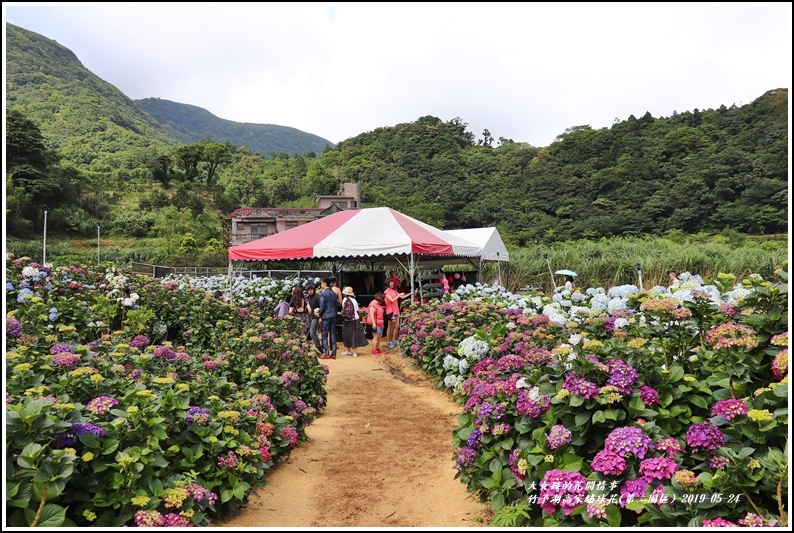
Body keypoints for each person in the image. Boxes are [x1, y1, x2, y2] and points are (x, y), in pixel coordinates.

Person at [340, 286, 368, 357]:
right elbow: (357, 310)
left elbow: (343, 308)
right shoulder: (354, 300)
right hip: (355, 319)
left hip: (347, 320)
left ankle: (348, 351)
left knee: (346, 335)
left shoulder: (345, 300)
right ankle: (355, 352)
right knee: (354, 335)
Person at [384, 278, 411, 350]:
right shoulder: (386, 292)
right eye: (391, 282)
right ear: (387, 284)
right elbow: (392, 300)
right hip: (391, 311)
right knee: (390, 327)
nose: (392, 284)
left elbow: (402, 297)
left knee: (397, 326)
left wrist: (410, 294)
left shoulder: (394, 291)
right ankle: (388, 342)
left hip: (396, 311)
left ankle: (394, 340)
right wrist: (399, 295)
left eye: (393, 282)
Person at [318, 277, 338, 360]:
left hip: (326, 316)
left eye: (322, 283)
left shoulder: (323, 293)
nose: (321, 285)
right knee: (333, 334)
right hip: (334, 315)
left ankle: (326, 353)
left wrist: (319, 314)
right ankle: (334, 353)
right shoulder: (334, 293)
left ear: (325, 283)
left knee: (325, 334)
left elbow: (322, 306)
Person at [367, 292, 386, 356]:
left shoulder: (377, 304)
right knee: (376, 337)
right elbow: (371, 315)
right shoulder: (373, 305)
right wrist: (374, 324)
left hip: (380, 323)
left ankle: (376, 348)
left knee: (379, 337)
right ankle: (374, 349)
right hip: (375, 323)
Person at [305, 283, 322, 351]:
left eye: (311, 289)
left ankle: (319, 348)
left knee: (312, 333)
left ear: (314, 290)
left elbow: (322, 307)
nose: (310, 291)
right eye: (308, 290)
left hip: (315, 317)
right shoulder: (307, 298)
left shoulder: (317, 297)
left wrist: (320, 317)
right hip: (309, 318)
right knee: (309, 333)